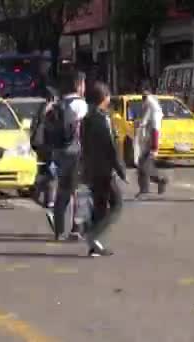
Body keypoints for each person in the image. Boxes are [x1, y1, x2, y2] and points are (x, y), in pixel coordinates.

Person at [81, 82, 126, 257]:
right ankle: (93, 234)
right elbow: (111, 147)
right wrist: (120, 169)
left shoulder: (87, 118)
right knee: (116, 205)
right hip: (104, 170)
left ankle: (95, 247)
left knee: (99, 206)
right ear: (103, 98)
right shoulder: (102, 118)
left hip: (91, 168)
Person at [52, 71, 88, 241]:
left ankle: (59, 230)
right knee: (79, 191)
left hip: (59, 151)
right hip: (76, 152)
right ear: (79, 84)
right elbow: (82, 130)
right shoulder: (80, 105)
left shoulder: (60, 103)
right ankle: (76, 228)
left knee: (63, 189)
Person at [136, 91, 168, 197]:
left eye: (144, 99)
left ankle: (144, 191)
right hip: (146, 143)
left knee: (144, 167)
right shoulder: (149, 110)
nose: (143, 101)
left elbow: (155, 130)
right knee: (146, 167)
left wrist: (154, 147)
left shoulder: (154, 112)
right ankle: (161, 180)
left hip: (150, 144)